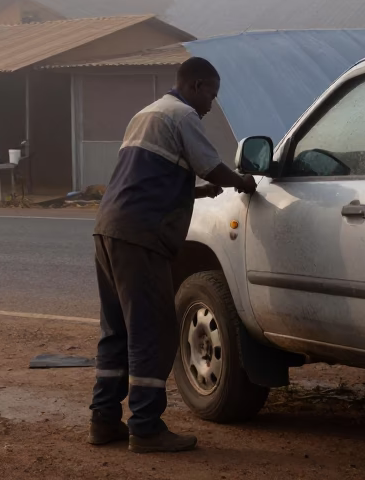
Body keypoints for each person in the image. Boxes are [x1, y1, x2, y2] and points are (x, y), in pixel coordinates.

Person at [87, 56, 257, 453]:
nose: (211, 104)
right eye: (211, 94)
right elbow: (213, 166)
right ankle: (145, 428)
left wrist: (193, 192)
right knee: (153, 331)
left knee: (116, 331)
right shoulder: (183, 115)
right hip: (141, 236)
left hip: (109, 229)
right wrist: (244, 183)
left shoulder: (147, 113)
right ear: (196, 85)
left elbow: (143, 179)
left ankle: (103, 420)